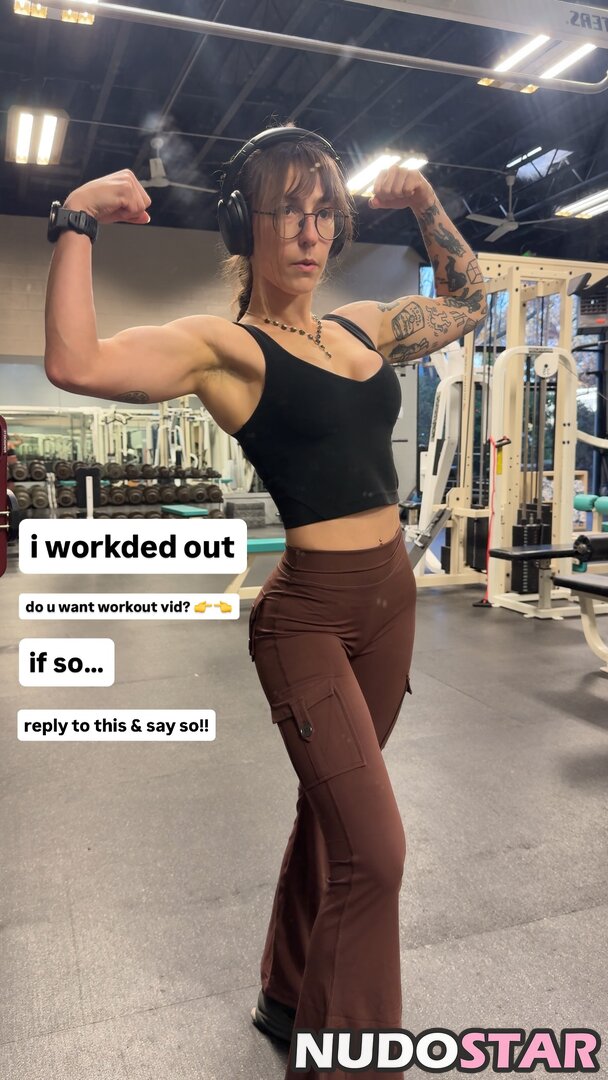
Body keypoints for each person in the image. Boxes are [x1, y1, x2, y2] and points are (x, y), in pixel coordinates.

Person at [44, 124, 487, 1080]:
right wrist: (76, 218)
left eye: (324, 211)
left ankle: (287, 994)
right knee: (378, 851)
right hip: (309, 619)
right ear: (246, 224)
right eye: (287, 209)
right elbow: (75, 362)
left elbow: (467, 300)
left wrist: (424, 205)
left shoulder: (362, 328)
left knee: (333, 822)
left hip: (392, 604)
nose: (310, 230)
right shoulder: (225, 348)